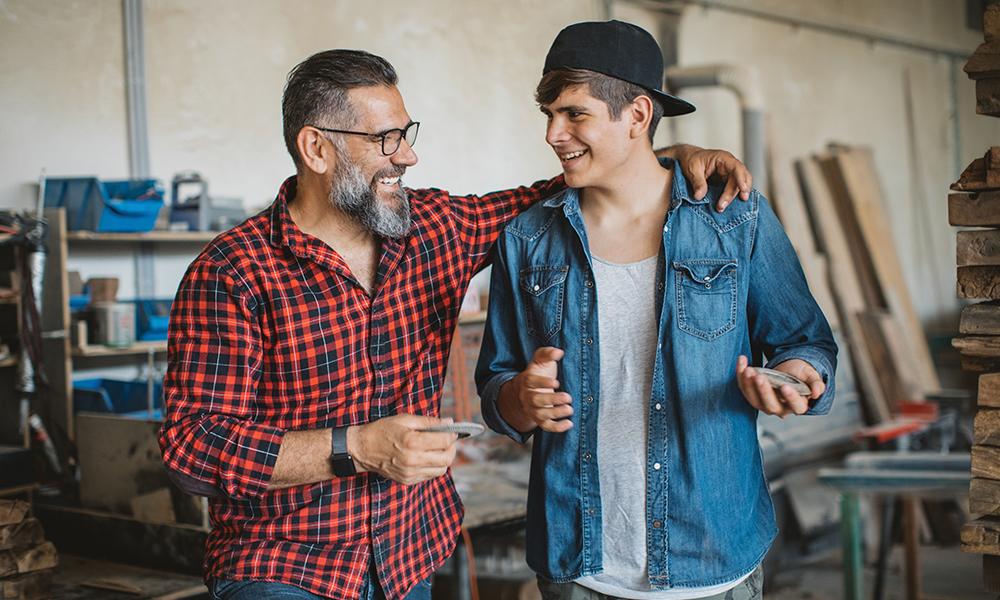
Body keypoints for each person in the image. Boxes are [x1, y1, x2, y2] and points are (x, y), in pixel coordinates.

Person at [157, 47, 751, 600]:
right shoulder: (233, 274)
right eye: (387, 139)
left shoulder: (433, 229)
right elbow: (192, 450)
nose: (408, 156)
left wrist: (664, 155)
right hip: (285, 566)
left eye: (406, 134)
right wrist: (358, 448)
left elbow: (559, 188)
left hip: (409, 555)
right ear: (316, 149)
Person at [476, 20, 838, 600]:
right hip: (578, 567)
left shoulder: (733, 219)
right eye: (547, 114)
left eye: (574, 114)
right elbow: (497, 383)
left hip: (714, 561)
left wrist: (795, 377)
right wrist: (517, 398)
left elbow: (806, 341)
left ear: (638, 116)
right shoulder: (526, 239)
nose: (552, 133)